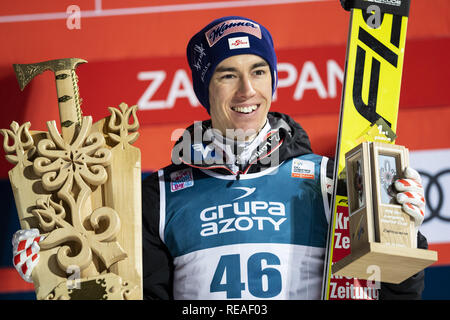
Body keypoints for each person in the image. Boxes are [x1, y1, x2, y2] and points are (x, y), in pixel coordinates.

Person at [12, 16, 428, 300]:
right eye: (228, 74)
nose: (247, 90)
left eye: (259, 71)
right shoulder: (156, 196)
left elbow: (395, 293)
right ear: (203, 88)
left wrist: (403, 235)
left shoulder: (327, 180)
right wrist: (63, 272)